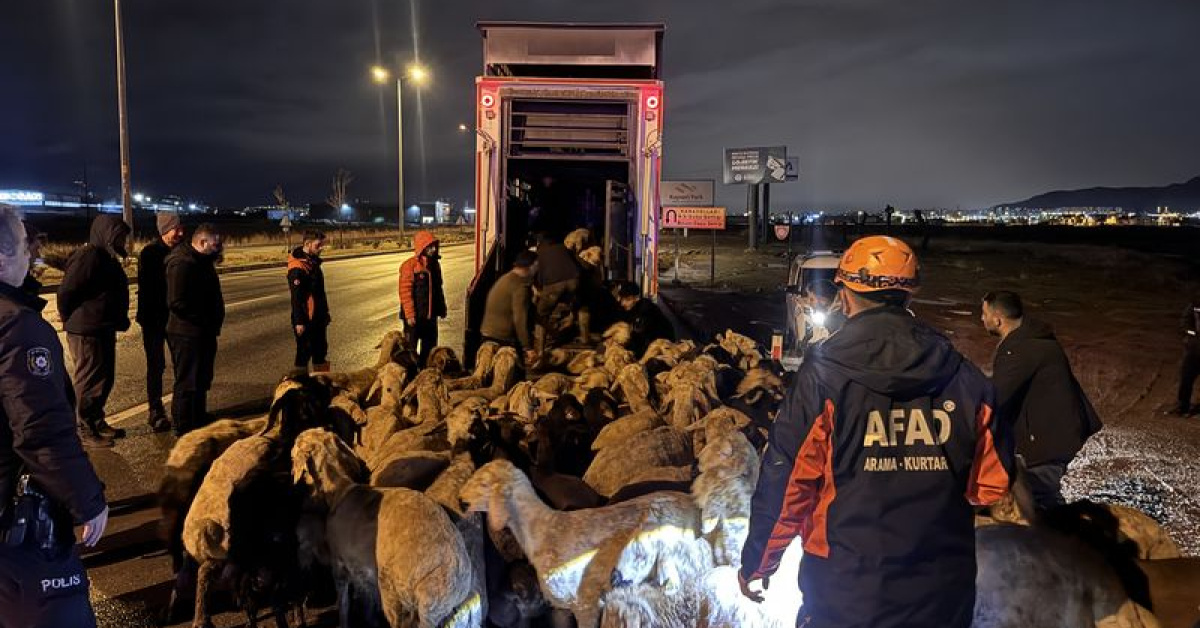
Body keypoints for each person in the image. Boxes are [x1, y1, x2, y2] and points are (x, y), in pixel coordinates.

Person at [740, 235, 1011, 628]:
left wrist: (759, 562)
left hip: (845, 588)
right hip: (941, 589)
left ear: (846, 296)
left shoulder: (823, 377)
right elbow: (990, 484)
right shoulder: (964, 375)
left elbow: (787, 482)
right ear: (910, 294)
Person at [0, 205, 109, 627]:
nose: (32, 254)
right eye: (24, 246)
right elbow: (40, 428)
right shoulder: (17, 328)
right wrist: (86, 500)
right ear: (4, 257)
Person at [981, 290, 1101, 509]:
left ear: (997, 319)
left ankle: (1063, 528)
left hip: (1047, 441)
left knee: (1038, 496)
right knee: (1038, 495)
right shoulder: (1032, 340)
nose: (982, 318)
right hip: (1056, 434)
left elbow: (997, 396)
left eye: (984, 313)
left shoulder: (1021, 350)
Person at [56, 214, 132, 448]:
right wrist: (68, 317)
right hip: (87, 330)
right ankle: (84, 428)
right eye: (119, 236)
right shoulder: (88, 256)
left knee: (104, 379)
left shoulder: (107, 257)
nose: (122, 241)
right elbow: (66, 291)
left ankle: (96, 420)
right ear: (107, 234)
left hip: (102, 328)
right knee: (89, 380)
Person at [166, 223, 225, 436]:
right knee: (187, 380)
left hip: (202, 331)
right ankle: (182, 425)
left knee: (201, 378)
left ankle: (198, 416)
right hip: (187, 333)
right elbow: (177, 302)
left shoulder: (202, 260)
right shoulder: (182, 263)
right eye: (216, 244)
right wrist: (204, 319)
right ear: (202, 242)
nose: (219, 248)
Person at [136, 211, 186, 433]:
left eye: (181, 228)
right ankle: (155, 411)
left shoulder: (183, 250)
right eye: (176, 229)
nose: (180, 232)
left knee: (181, 364)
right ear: (165, 230)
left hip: (176, 318)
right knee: (156, 365)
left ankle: (181, 409)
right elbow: (152, 288)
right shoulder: (150, 253)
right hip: (154, 319)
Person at [480, 251, 539, 366]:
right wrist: (528, 347)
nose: (538, 269)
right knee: (516, 372)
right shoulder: (520, 287)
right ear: (530, 266)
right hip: (503, 339)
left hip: (488, 334)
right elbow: (520, 319)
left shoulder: (506, 278)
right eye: (537, 265)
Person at [398, 230, 445, 366]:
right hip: (415, 319)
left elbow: (438, 289)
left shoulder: (435, 265)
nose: (433, 249)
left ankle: (425, 372)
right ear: (421, 247)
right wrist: (410, 315)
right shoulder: (409, 266)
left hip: (430, 318)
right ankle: (410, 375)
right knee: (410, 351)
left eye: (434, 246)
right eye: (430, 247)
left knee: (429, 351)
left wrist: (441, 308)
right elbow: (405, 292)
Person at [288, 230, 331, 372]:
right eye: (318, 245)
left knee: (320, 352)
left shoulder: (312, 262)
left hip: (318, 317)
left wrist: (325, 314)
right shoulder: (297, 267)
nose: (321, 248)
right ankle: (300, 382)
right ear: (307, 244)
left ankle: (321, 382)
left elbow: (319, 294)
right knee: (304, 353)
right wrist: (299, 322)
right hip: (307, 318)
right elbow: (296, 298)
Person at [533, 232, 581, 350]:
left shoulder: (539, 253)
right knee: (574, 305)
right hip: (574, 281)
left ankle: (540, 350)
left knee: (540, 315)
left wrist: (539, 290)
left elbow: (538, 277)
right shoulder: (562, 248)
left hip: (554, 285)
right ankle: (571, 324)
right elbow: (577, 263)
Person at [614, 281, 675, 357]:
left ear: (637, 298)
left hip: (662, 344)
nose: (623, 303)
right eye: (622, 299)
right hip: (646, 342)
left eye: (627, 300)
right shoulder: (627, 308)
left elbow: (639, 336)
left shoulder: (646, 309)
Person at [1176, 297, 1200, 416]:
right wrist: (1192, 334)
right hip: (1193, 350)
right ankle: (1182, 406)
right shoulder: (1196, 304)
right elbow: (1184, 323)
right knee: (1186, 378)